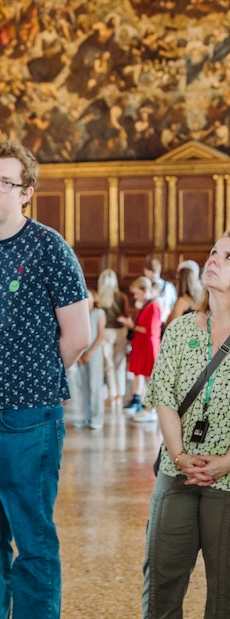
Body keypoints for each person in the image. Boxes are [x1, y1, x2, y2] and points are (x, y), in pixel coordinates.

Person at [0, 140, 90, 619]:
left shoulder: (49, 247)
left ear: (26, 192)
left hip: (29, 417)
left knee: (32, 541)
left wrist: (32, 378)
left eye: (4, 182)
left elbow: (78, 335)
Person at [142, 232, 230, 617]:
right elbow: (162, 396)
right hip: (177, 475)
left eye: (228, 256)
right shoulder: (180, 329)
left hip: (228, 480)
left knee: (225, 592)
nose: (214, 259)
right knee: (162, 584)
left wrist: (227, 461)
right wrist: (177, 455)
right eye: (213, 251)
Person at [118, 276, 162, 421]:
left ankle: (152, 409)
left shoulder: (154, 305)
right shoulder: (146, 305)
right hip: (141, 344)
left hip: (148, 346)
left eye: (137, 293)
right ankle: (145, 405)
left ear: (144, 291)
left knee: (151, 378)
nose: (135, 296)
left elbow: (151, 330)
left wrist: (132, 326)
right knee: (142, 375)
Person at [66, 289, 106, 429]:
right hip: (81, 353)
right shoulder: (79, 315)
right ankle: (85, 416)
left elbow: (101, 335)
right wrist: (78, 354)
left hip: (94, 353)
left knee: (94, 386)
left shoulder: (99, 313)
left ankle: (97, 417)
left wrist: (89, 353)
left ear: (94, 298)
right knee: (82, 386)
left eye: (88, 295)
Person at [97, 268, 129, 406]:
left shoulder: (99, 298)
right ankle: (120, 395)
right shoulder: (122, 296)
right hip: (121, 331)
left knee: (108, 365)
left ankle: (112, 394)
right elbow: (126, 314)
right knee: (120, 364)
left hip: (106, 332)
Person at [144, 256, 177, 327]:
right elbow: (174, 303)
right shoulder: (169, 286)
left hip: (152, 321)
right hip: (167, 321)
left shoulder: (148, 286)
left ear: (148, 271)